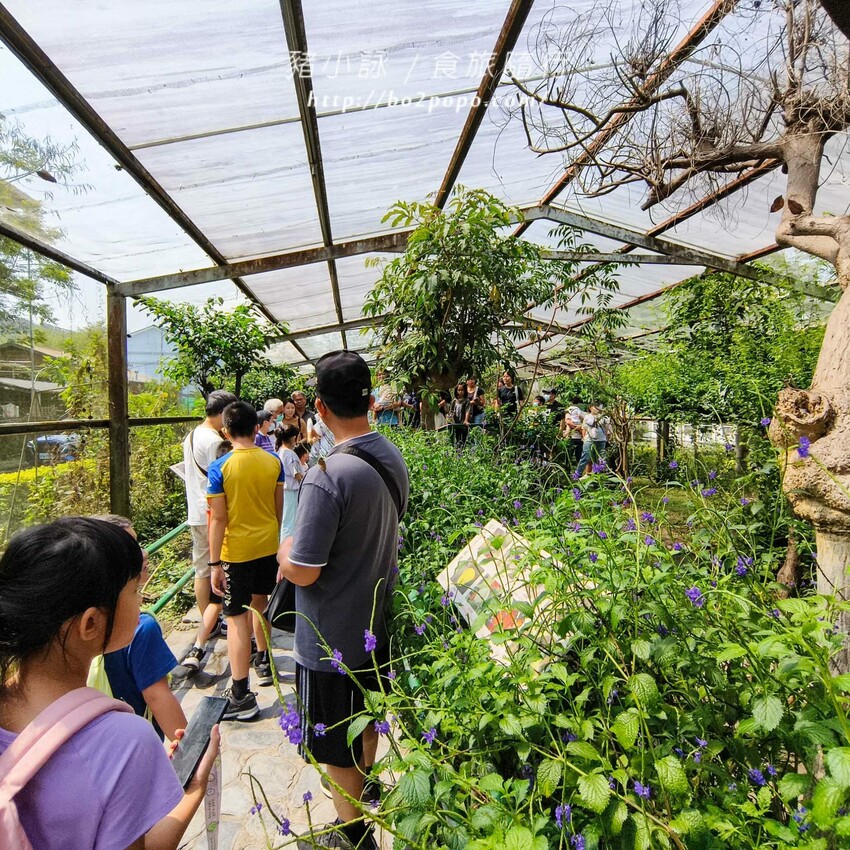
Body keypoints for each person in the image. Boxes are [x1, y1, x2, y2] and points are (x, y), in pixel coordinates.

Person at [0, 517, 219, 849]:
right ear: (90, 623)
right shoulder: (126, 741)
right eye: (134, 590)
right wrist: (194, 788)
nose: (141, 599)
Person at [277, 350, 409, 850]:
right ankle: (368, 782)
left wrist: (284, 548)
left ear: (319, 406)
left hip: (330, 635)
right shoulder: (388, 455)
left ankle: (352, 835)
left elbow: (304, 570)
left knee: (335, 743)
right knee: (368, 715)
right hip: (377, 623)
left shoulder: (329, 472)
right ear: (371, 401)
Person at [208, 401, 284, 719]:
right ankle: (264, 660)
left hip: (236, 553)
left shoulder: (220, 468)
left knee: (237, 619)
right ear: (256, 427)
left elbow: (218, 519)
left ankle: (241, 695)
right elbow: (279, 508)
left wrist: (214, 564)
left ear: (226, 431)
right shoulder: (273, 462)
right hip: (267, 545)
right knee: (261, 604)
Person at [93, 515, 187, 742]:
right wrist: (197, 757)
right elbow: (157, 697)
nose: (143, 553)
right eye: (131, 548)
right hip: (138, 746)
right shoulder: (141, 627)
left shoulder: (88, 623)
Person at [181, 389, 236, 673]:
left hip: (195, 511)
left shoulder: (190, 436)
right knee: (218, 568)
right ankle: (215, 620)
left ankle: (208, 622)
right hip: (213, 513)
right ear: (223, 413)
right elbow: (223, 477)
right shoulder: (215, 441)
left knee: (201, 569)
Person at [276, 424, 304, 540]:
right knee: (289, 521)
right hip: (290, 490)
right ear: (293, 437)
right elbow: (297, 474)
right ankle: (286, 547)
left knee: (285, 519)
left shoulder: (279, 451)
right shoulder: (290, 454)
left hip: (282, 489)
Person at [576, 403, 609, 476]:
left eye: (598, 407)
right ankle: (578, 474)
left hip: (601, 440)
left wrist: (607, 438)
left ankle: (600, 474)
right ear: (590, 408)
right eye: (595, 407)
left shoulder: (604, 417)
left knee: (601, 458)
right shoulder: (587, 417)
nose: (597, 409)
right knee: (585, 457)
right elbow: (592, 424)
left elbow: (607, 427)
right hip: (589, 440)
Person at [447, 382, 472, 448]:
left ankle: (463, 451)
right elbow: (451, 412)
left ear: (465, 391)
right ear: (456, 391)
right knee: (457, 438)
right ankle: (457, 452)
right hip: (456, 423)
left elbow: (468, 411)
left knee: (464, 439)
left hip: (463, 423)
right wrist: (451, 419)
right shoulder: (454, 401)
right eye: (459, 390)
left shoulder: (467, 401)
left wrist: (466, 420)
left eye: (462, 390)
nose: (460, 392)